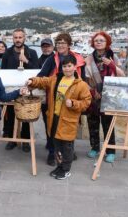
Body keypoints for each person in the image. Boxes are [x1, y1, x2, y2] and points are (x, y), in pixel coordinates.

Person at [27, 55, 91, 180]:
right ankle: (59, 166)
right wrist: (32, 81)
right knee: (56, 145)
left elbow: (86, 102)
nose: (66, 69)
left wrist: (73, 103)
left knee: (67, 147)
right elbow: (43, 81)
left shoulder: (81, 84)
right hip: (54, 117)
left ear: (75, 67)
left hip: (68, 121)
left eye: (69, 66)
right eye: (64, 66)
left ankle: (66, 169)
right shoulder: (56, 78)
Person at [38, 32, 85, 166]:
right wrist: (33, 82)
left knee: (69, 126)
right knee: (52, 127)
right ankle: (52, 153)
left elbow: (83, 78)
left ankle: (67, 151)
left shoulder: (78, 59)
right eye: (58, 43)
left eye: (63, 43)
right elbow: (42, 76)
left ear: (69, 45)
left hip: (71, 100)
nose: (60, 45)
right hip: (53, 99)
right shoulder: (51, 59)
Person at [85, 31, 125, 163]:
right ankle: (95, 147)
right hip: (93, 95)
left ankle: (111, 151)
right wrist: (92, 91)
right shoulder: (89, 58)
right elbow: (85, 78)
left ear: (107, 42)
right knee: (93, 123)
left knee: (108, 124)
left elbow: (122, 75)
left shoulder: (113, 56)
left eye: (101, 40)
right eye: (96, 40)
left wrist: (111, 65)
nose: (98, 42)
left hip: (109, 95)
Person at [1, 28, 39, 152]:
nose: (18, 40)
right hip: (12, 89)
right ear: (13, 39)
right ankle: (13, 139)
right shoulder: (7, 53)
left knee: (26, 115)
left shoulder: (32, 52)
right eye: (15, 37)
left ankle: (25, 140)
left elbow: (37, 71)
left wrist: (26, 60)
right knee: (11, 115)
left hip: (27, 88)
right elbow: (3, 71)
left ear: (24, 38)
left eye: (20, 37)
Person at [38, 38, 55, 165]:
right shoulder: (39, 60)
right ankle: (50, 146)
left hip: (55, 95)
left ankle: (60, 148)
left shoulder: (56, 59)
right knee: (47, 121)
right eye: (43, 46)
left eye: (48, 46)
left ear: (52, 46)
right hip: (43, 97)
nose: (46, 48)